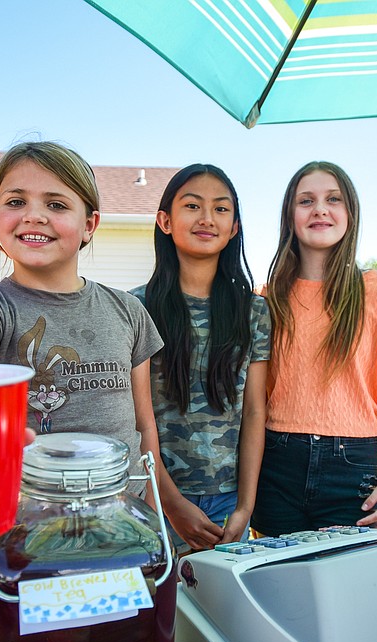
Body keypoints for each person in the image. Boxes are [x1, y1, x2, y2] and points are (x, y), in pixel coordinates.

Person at [0, 140, 164, 479]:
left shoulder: (128, 311)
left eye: (56, 205)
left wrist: (151, 503)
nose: (33, 216)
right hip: (25, 524)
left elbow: (144, 425)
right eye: (16, 202)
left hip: (120, 518)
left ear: (89, 224)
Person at [252, 161, 377, 537]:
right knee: (276, 586)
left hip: (353, 467)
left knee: (348, 587)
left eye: (334, 199)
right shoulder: (266, 299)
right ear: (290, 215)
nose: (320, 209)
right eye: (306, 200)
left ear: (351, 213)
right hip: (276, 463)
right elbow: (254, 402)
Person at [131, 164, 271, 552]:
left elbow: (254, 412)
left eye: (221, 209)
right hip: (154, 499)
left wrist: (246, 506)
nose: (207, 218)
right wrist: (172, 504)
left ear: (235, 227)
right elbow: (138, 419)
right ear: (165, 220)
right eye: (192, 206)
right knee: (164, 610)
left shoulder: (254, 311)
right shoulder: (136, 307)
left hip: (229, 503)